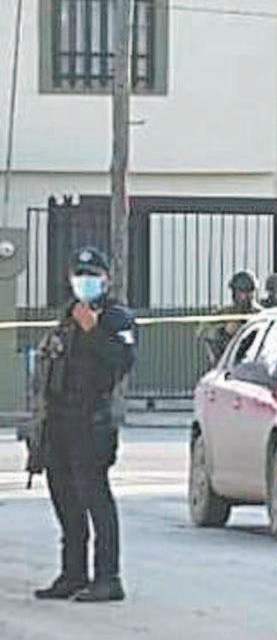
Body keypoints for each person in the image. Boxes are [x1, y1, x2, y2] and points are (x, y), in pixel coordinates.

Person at [30, 247, 136, 602]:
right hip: (59, 421)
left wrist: (93, 332)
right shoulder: (68, 315)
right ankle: (73, 573)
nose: (85, 281)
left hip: (92, 421)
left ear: (106, 279)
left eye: (92, 275)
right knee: (64, 498)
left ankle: (108, 577)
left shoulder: (115, 318)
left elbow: (123, 361)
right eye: (80, 275)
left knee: (95, 499)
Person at [202, 270, 262, 363]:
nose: (246, 296)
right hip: (227, 362)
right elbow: (203, 330)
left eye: (250, 291)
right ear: (234, 292)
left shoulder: (261, 314)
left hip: (255, 362)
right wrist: (224, 330)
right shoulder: (225, 312)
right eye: (241, 292)